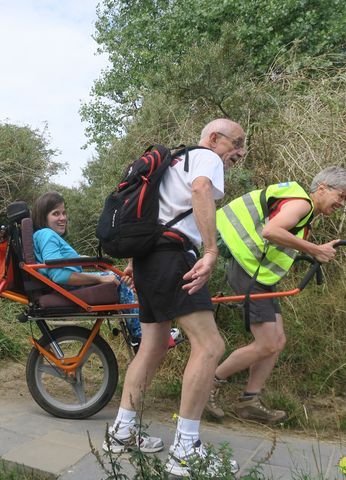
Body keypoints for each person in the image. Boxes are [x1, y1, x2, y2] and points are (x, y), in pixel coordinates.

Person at [102, 118, 246, 478]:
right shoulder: (205, 158)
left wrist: (136, 262)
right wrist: (210, 251)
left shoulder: (172, 162)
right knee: (210, 345)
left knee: (153, 346)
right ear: (215, 138)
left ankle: (122, 432)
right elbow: (200, 192)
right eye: (237, 143)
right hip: (174, 257)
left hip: (151, 259)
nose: (240, 152)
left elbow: (152, 214)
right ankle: (185, 450)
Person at [206, 166, 346, 423]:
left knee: (277, 341)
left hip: (258, 274)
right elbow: (271, 231)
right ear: (322, 188)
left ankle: (249, 401)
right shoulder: (301, 205)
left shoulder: (304, 209)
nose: (342, 203)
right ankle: (206, 386)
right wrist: (314, 249)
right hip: (248, 272)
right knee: (267, 343)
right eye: (340, 196)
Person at [32, 191, 142, 347]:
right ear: (43, 217)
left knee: (118, 278)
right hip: (63, 287)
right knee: (118, 280)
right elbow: (59, 275)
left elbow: (60, 263)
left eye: (64, 213)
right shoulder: (47, 235)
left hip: (61, 286)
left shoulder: (42, 235)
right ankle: (139, 337)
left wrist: (88, 260)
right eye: (56, 214)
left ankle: (139, 331)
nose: (63, 218)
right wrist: (100, 278)